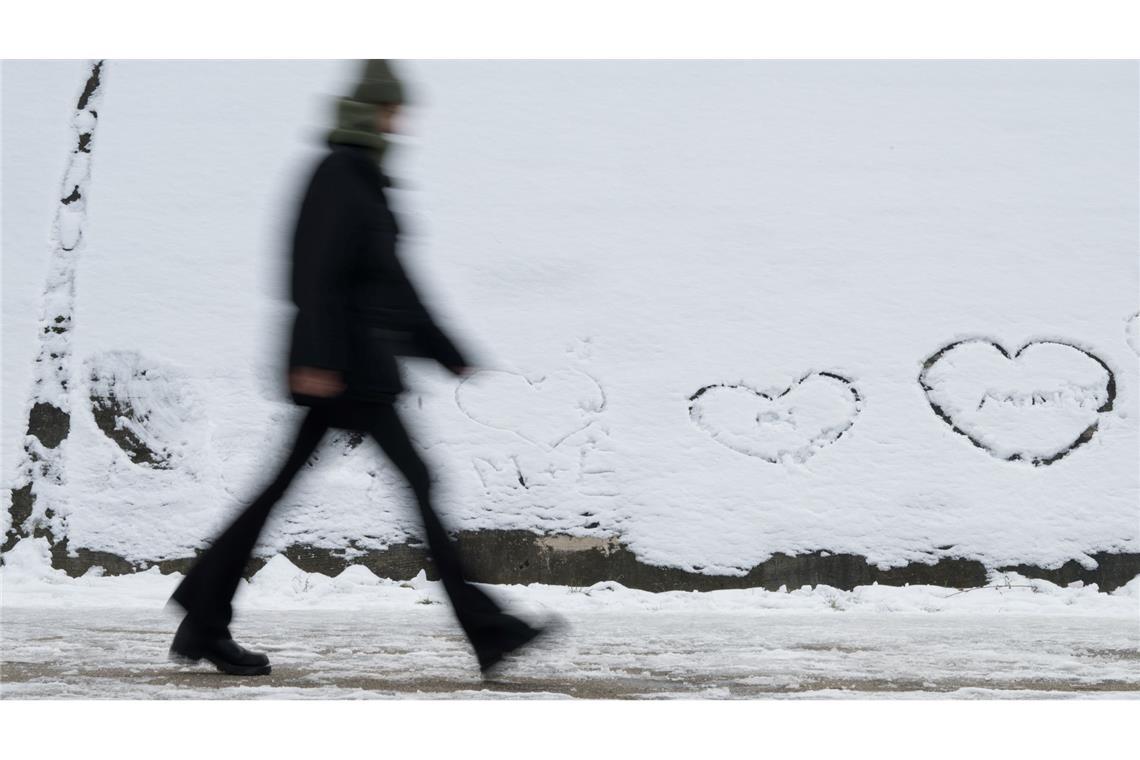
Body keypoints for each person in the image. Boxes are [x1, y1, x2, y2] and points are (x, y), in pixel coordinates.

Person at [168, 60, 553, 678]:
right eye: (396, 110)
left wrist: (441, 346)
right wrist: (318, 360)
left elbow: (390, 281)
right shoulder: (339, 174)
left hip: (358, 369)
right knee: (413, 487)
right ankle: (491, 632)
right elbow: (312, 271)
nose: (402, 121)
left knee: (282, 491)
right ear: (377, 110)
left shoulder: (364, 176)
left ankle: (203, 618)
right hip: (343, 371)